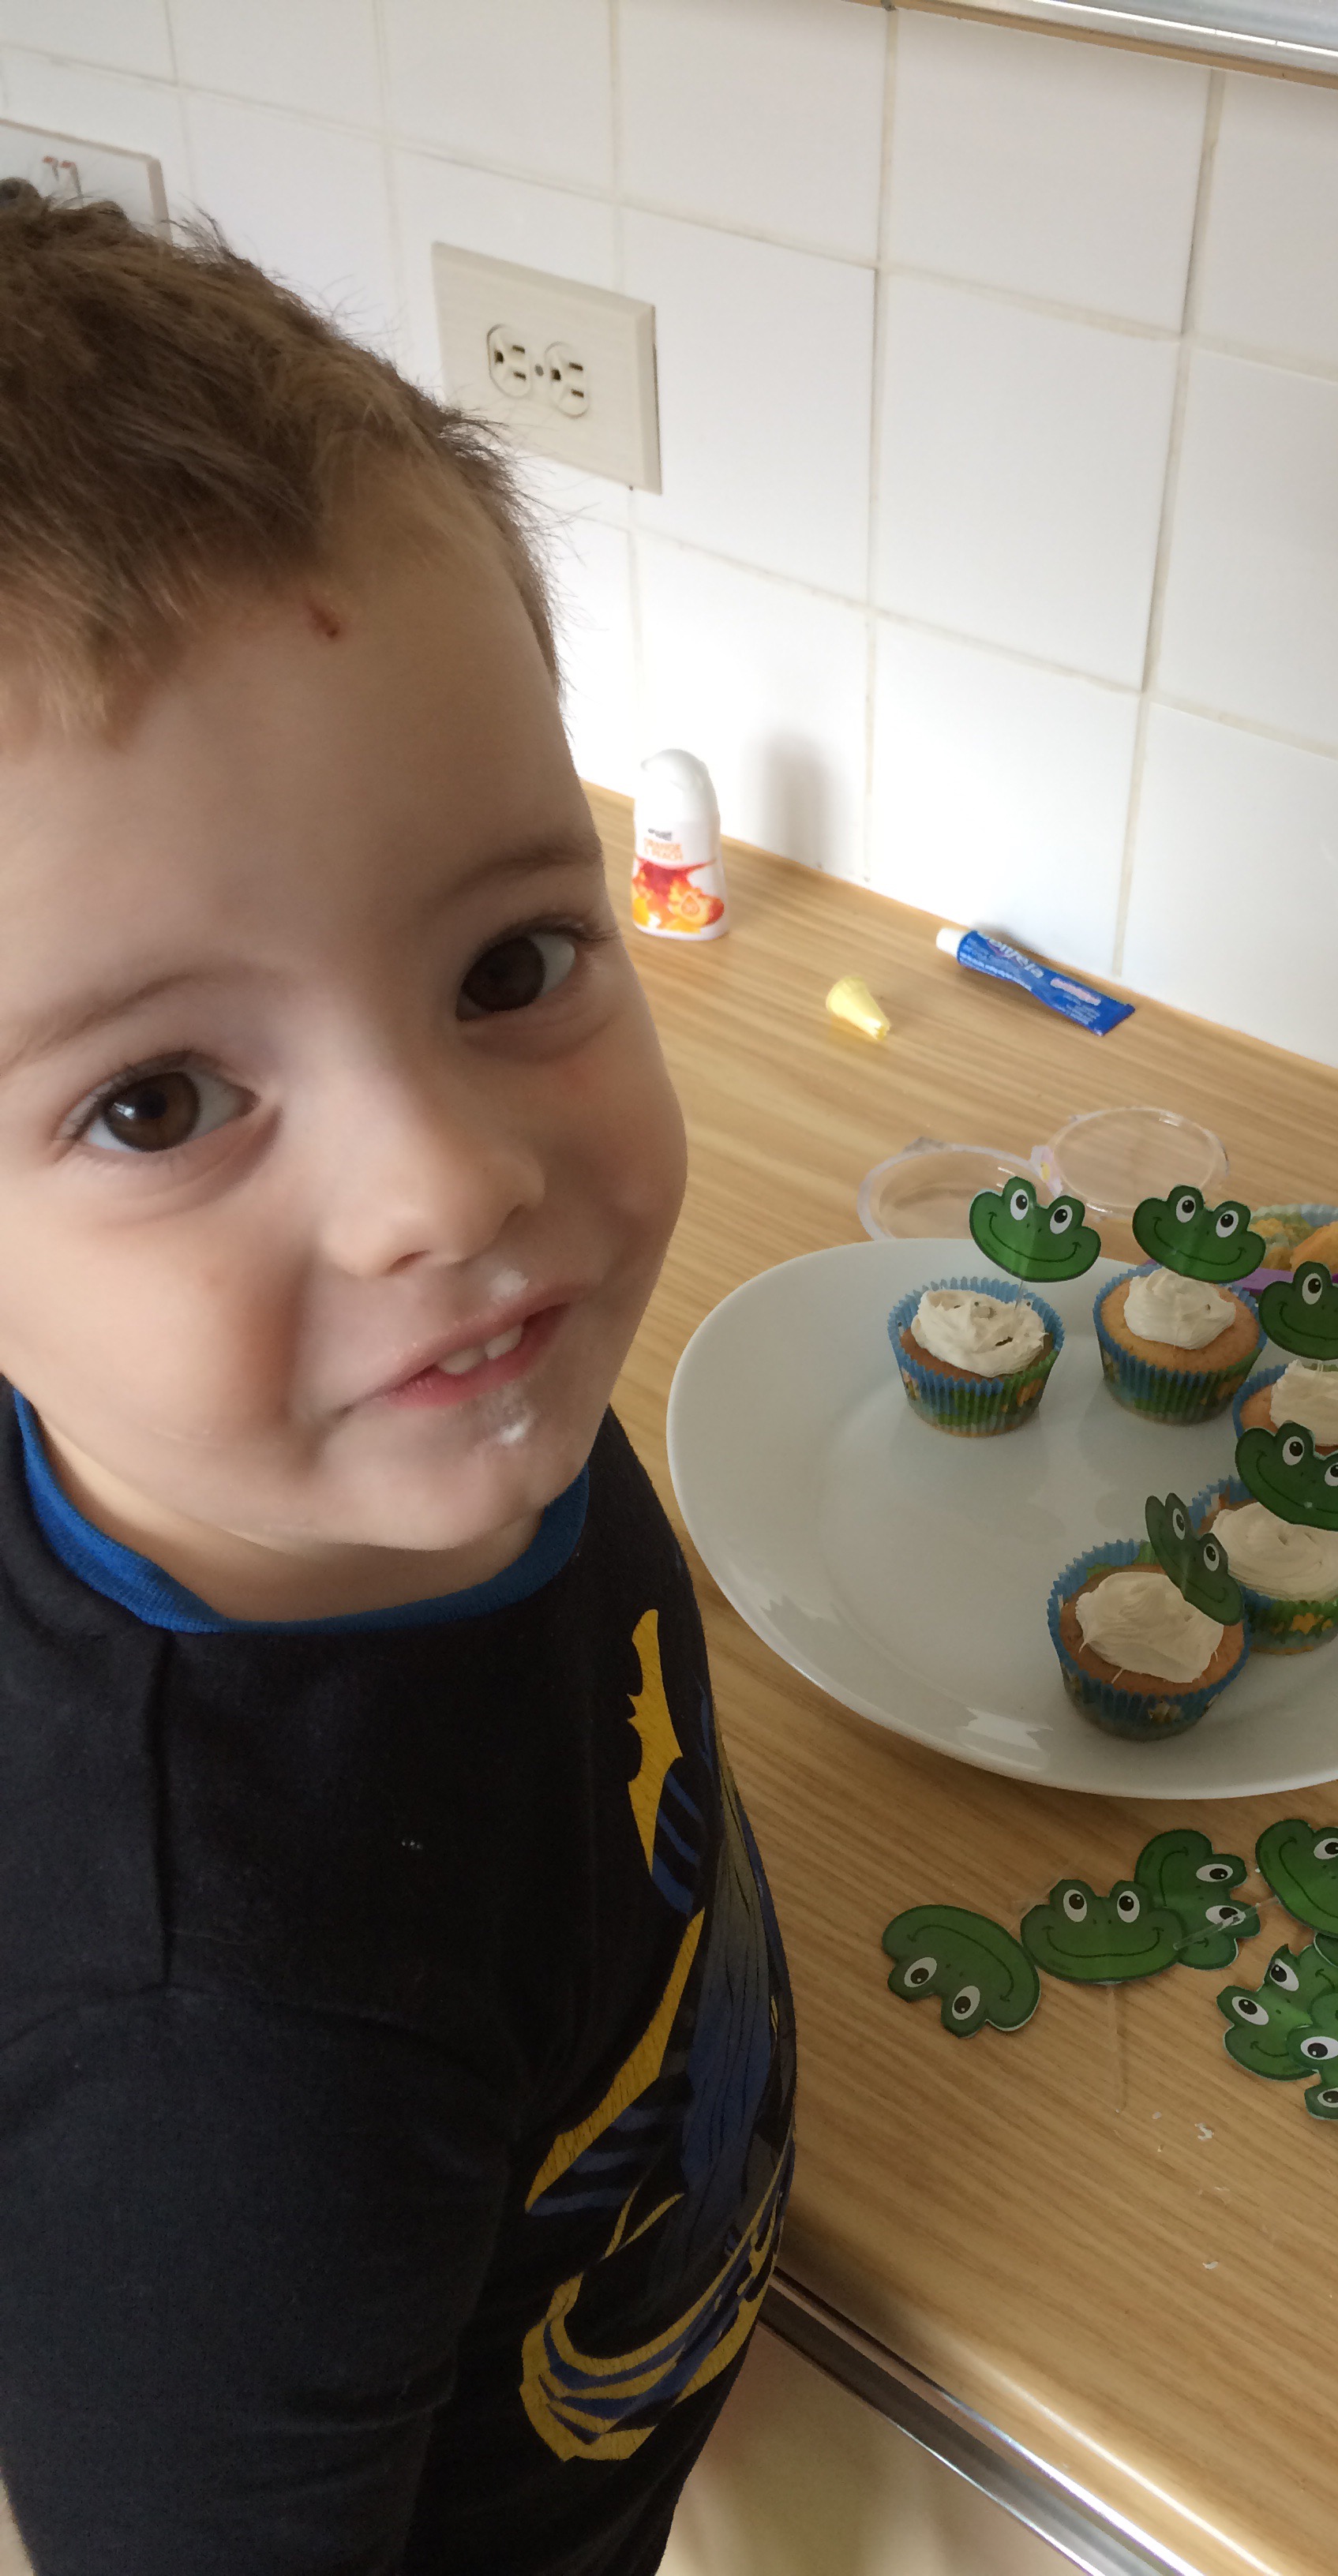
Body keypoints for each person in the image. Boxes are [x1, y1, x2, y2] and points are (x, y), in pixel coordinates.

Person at [0, 180, 793, 2574]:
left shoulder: (419, 1406)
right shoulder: (227, 2088)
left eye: (511, 962)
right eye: (158, 1100)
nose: (451, 1182)